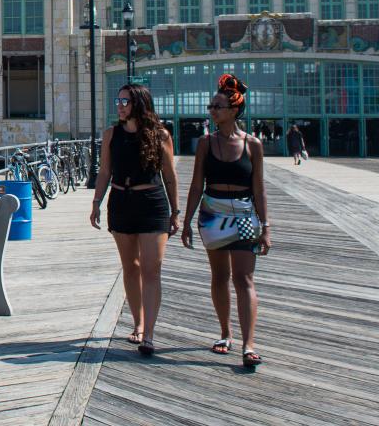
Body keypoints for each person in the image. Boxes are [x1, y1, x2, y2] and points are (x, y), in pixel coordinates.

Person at [181, 74, 272, 371]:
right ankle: (225, 333)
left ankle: (249, 344)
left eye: (217, 106)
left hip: (244, 214)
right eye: (211, 106)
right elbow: (197, 184)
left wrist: (266, 227)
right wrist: (186, 220)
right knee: (219, 276)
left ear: (234, 110)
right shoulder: (205, 143)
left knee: (244, 278)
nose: (212, 111)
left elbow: (259, 188)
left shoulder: (253, 144)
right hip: (213, 213)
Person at [89, 84, 180, 357]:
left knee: (152, 270)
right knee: (131, 267)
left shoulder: (160, 135)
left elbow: (169, 176)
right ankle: (138, 324)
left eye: (125, 102)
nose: (119, 106)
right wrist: (96, 202)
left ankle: (149, 334)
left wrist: (176, 212)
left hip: (152, 204)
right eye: (118, 101)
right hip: (121, 202)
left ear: (139, 104)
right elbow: (104, 171)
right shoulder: (111, 134)